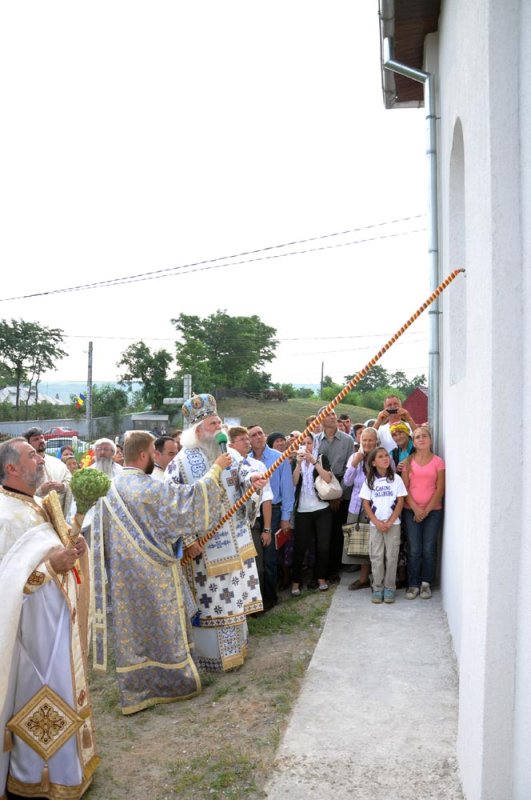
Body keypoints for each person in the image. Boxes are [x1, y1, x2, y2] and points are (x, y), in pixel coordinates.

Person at [91, 430, 231, 713]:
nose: (156, 459)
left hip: (122, 578)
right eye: (154, 454)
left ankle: (136, 689)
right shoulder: (148, 488)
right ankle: (172, 682)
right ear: (144, 455)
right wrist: (216, 469)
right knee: (164, 628)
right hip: (156, 573)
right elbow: (189, 503)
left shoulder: (107, 489)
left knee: (134, 633)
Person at [0, 437, 97, 799]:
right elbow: (5, 579)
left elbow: (58, 549)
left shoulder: (39, 504)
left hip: (56, 623)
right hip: (26, 632)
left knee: (62, 689)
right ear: (12, 468)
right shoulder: (3, 515)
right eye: (32, 456)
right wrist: (49, 566)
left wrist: (75, 548)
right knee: (32, 695)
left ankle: (65, 770)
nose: (40, 460)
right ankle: (31, 777)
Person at [167, 396, 265, 671]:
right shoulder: (181, 463)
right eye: (213, 423)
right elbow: (174, 504)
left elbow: (244, 473)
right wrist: (187, 541)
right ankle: (214, 659)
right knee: (215, 603)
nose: (219, 427)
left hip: (236, 543)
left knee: (235, 600)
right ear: (199, 431)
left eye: (220, 422)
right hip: (206, 552)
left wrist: (253, 481)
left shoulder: (230, 453)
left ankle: (238, 650)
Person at [248, 423, 295, 610]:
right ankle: (256, 598)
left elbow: (288, 490)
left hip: (274, 510)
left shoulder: (279, 458)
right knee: (255, 556)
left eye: (260, 433)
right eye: (253, 435)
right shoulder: (246, 461)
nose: (258, 437)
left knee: (269, 556)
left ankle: (270, 596)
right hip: (252, 512)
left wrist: (285, 518)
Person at [229, 426, 273, 605]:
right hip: (231, 525)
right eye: (242, 439)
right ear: (230, 444)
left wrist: (267, 529)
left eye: (248, 438)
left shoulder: (257, 466)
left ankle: (257, 605)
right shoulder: (224, 466)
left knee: (257, 565)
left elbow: (267, 499)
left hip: (252, 522)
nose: (248, 442)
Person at [401, 426, 445, 599]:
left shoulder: (438, 462)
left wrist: (426, 510)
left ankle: (426, 583)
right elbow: (404, 489)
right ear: (414, 441)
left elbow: (440, 489)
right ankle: (413, 584)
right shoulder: (407, 462)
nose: (421, 439)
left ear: (430, 440)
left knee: (428, 548)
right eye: (417, 436)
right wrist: (416, 509)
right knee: (414, 548)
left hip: (433, 512)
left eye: (424, 436)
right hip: (411, 511)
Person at [359, 447, 408, 604]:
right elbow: (366, 503)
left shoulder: (396, 479)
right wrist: (377, 522)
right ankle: (378, 587)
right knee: (377, 556)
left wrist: (390, 521)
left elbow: (400, 501)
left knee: (392, 556)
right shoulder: (369, 481)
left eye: (386, 456)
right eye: (380, 456)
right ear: (373, 462)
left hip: (393, 524)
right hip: (376, 526)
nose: (385, 458)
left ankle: (389, 588)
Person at [314, 407, 354, 579]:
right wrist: (324, 493)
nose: (331, 417)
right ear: (319, 419)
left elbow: (350, 468)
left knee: (338, 532)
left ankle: (334, 569)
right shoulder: (314, 440)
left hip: (342, 488)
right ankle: (321, 570)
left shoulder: (347, 440)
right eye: (327, 414)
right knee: (322, 533)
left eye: (333, 414)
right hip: (319, 490)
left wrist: (338, 494)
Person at [291, 433, 333, 595]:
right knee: (300, 546)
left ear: (314, 444)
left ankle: (321, 577)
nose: (306, 446)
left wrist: (314, 462)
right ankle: (296, 581)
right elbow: (294, 483)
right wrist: (298, 465)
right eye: (303, 443)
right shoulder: (296, 461)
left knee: (323, 546)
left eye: (309, 443)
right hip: (303, 510)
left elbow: (328, 479)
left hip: (321, 508)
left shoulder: (321, 457)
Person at [342, 427, 379, 590]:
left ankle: (377, 579)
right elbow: (347, 482)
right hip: (356, 506)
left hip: (376, 506)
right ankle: (363, 579)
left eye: (371, 440)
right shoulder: (354, 456)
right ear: (360, 441)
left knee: (375, 543)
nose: (367, 443)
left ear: (376, 441)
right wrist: (355, 462)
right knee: (359, 543)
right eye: (364, 440)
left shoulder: (381, 456)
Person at [22, 426, 72, 513]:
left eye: (41, 437)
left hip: (59, 515)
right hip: (37, 516)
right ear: (28, 444)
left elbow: (70, 480)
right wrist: (40, 491)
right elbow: (19, 494)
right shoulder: (23, 466)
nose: (41, 440)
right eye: (36, 439)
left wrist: (62, 486)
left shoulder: (57, 463)